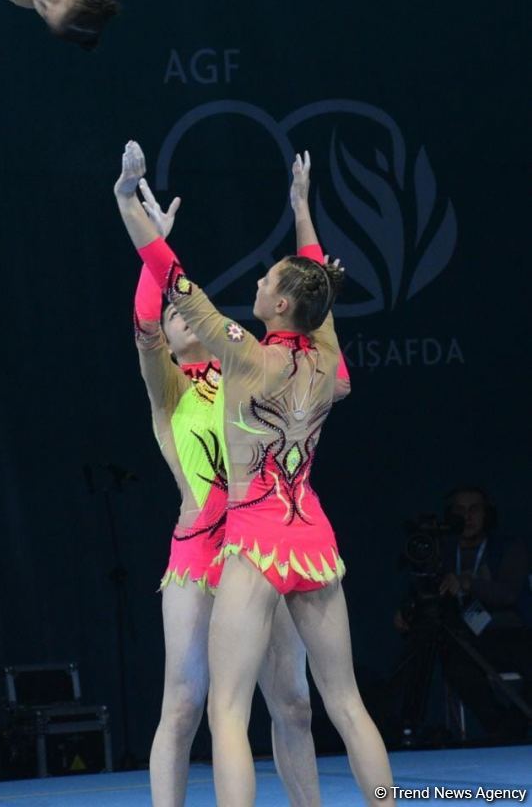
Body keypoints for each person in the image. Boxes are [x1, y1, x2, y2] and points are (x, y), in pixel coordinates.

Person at [115, 142, 393, 806]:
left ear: (277, 307)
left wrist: (128, 201)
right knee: (348, 704)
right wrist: (301, 209)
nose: (258, 285)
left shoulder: (244, 358)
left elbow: (171, 272)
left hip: (257, 539)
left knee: (230, 714)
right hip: (315, 540)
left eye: (267, 282)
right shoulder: (325, 361)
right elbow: (315, 283)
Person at [129, 185, 319, 806]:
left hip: (258, 545)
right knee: (184, 707)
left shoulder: (241, 371)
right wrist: (148, 245)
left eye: (189, 316)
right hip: (196, 553)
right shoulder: (170, 391)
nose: (185, 321)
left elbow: (304, 330)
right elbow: (147, 325)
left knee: (292, 701)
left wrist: (300, 215)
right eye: (176, 318)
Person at [395, 486, 532, 741]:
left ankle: (511, 728)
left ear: (487, 514)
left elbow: (509, 593)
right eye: (459, 510)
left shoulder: (509, 548)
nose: (467, 517)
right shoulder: (443, 552)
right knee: (456, 667)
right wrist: (407, 609)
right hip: (465, 637)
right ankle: (501, 730)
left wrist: (468, 583)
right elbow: (423, 587)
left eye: (474, 509)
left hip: (510, 633)